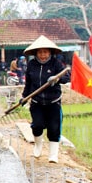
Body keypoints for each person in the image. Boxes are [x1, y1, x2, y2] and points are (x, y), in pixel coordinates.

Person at [20, 35, 70, 163]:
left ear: (50, 52)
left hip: (53, 102)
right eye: (40, 52)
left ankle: (53, 155)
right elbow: (29, 84)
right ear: (36, 52)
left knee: (54, 127)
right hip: (37, 102)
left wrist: (56, 78)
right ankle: (38, 146)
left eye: (45, 52)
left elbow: (66, 77)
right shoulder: (32, 65)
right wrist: (24, 97)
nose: (43, 55)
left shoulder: (56, 64)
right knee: (37, 125)